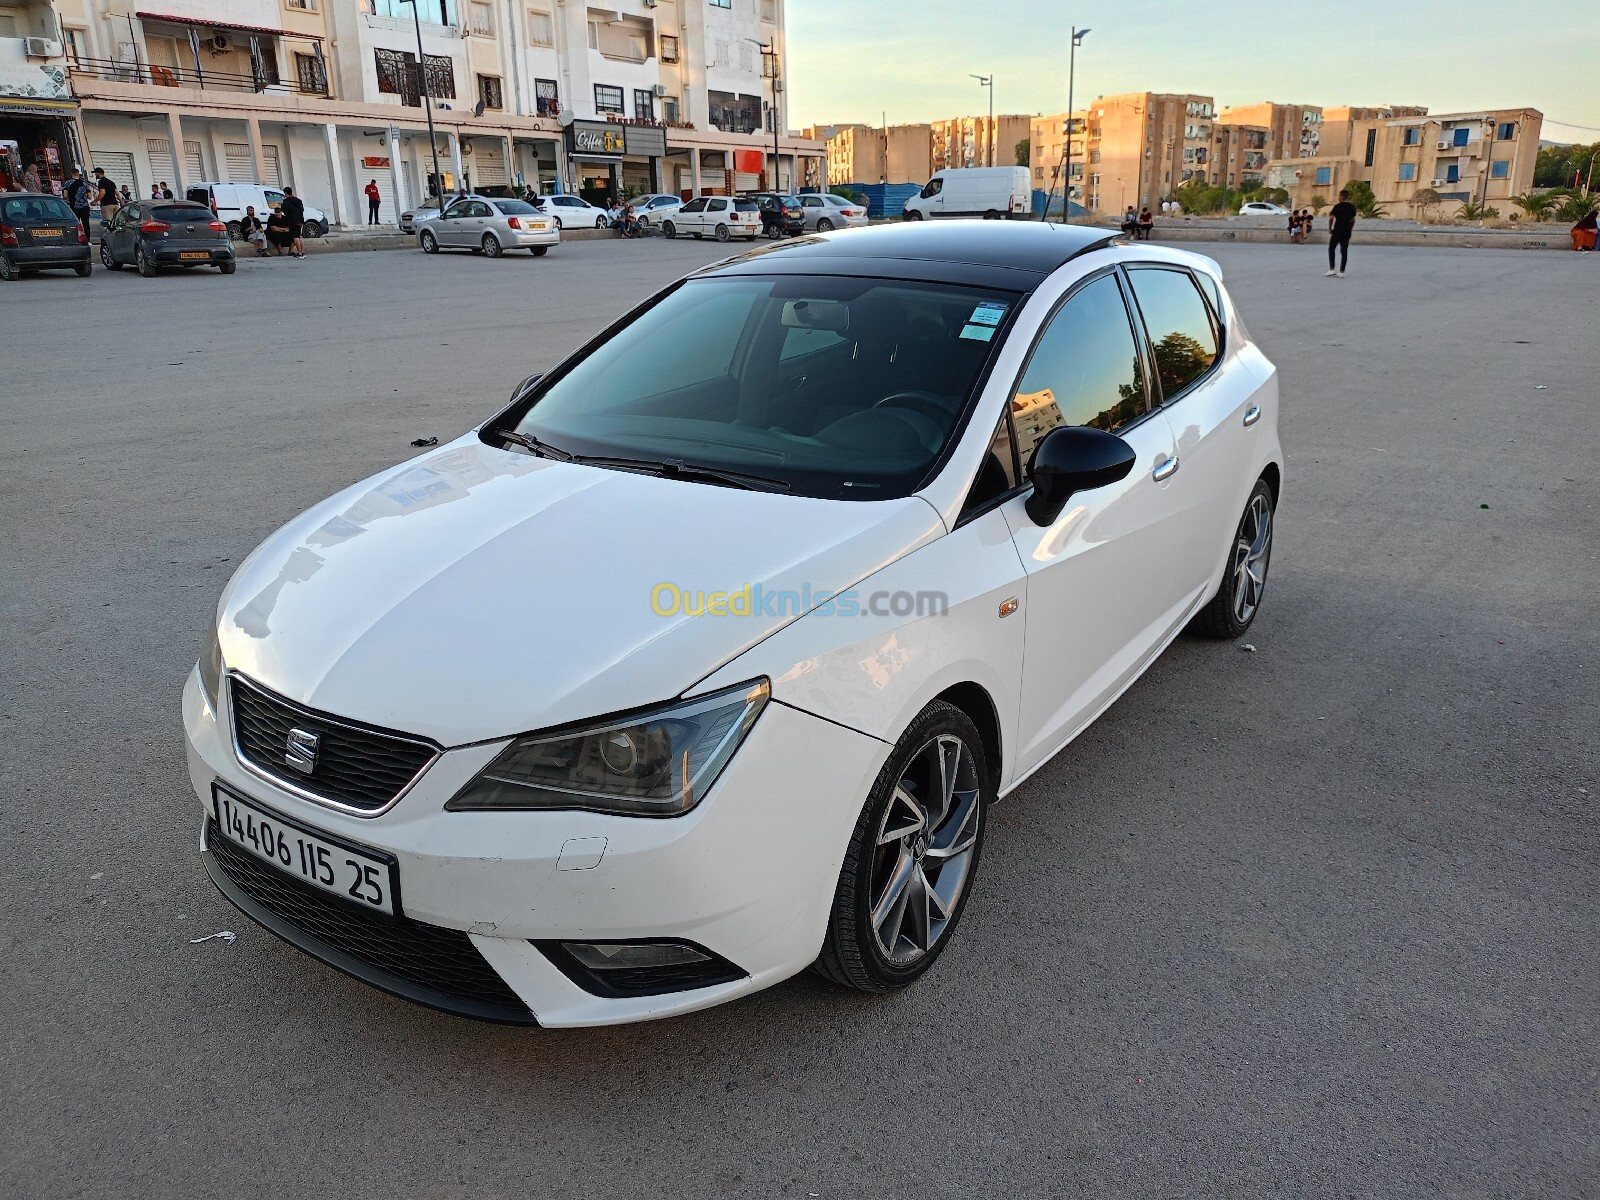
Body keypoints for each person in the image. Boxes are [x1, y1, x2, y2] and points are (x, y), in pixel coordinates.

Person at [1326, 189, 1357, 277]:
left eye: (1339, 196)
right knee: (1344, 251)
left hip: (1337, 231)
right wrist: (1349, 229)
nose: (1338, 197)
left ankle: (1332, 269)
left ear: (1341, 196)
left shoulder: (1337, 207)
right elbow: (1353, 220)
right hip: (1346, 231)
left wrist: (1330, 228)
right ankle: (1341, 272)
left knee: (1331, 248)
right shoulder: (1352, 207)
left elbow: (1331, 218)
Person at [64, 168, 93, 239]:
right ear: (78, 174)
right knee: (86, 224)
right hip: (85, 207)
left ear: (71, 174)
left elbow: (65, 195)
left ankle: (76, 239)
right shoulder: (85, 183)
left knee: (75, 224)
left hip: (74, 206)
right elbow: (90, 196)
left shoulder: (68, 183)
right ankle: (87, 239)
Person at [92, 166, 119, 238]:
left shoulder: (101, 182)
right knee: (116, 222)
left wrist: (95, 201)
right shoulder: (111, 182)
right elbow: (117, 193)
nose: (95, 175)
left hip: (107, 204)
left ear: (99, 173)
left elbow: (102, 193)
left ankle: (112, 238)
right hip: (115, 204)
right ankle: (118, 236)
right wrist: (121, 201)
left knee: (108, 223)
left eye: (96, 173)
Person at [280, 184, 305, 258]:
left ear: (286, 193)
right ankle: (302, 252)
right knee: (298, 236)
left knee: (295, 237)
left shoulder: (285, 202)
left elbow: (285, 212)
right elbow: (302, 210)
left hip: (292, 221)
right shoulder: (298, 200)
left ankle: (300, 253)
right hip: (300, 220)